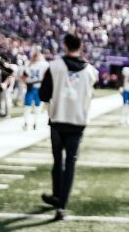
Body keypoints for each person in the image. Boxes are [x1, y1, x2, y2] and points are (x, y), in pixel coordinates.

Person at [39, 34, 95, 221]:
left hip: (58, 118)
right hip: (78, 121)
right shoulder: (90, 71)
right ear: (81, 46)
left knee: (57, 160)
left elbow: (43, 95)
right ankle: (61, 204)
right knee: (70, 162)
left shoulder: (54, 67)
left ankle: (57, 196)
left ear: (64, 45)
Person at [23, 51, 48, 130]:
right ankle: (34, 123)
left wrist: (26, 83)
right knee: (36, 106)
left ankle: (29, 123)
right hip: (38, 88)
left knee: (29, 106)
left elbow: (24, 77)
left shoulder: (29, 64)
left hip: (32, 87)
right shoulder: (44, 64)